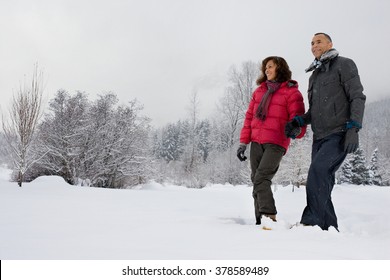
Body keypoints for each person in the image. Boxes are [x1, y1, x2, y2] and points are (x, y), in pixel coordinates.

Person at [285, 33, 366, 231]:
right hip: (319, 137)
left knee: (317, 172)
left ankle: (311, 221)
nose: (314, 45)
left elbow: (357, 96)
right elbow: (315, 111)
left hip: (339, 132)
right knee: (323, 179)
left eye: (319, 41)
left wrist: (353, 128)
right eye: (312, 43)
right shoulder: (314, 76)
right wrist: (299, 120)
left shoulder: (344, 64)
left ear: (330, 44)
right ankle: (329, 228)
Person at [237, 56, 306, 225]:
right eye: (265, 67)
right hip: (256, 142)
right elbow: (249, 118)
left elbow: (298, 119)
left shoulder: (291, 92)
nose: (266, 70)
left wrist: (297, 130)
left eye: (270, 67)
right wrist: (243, 143)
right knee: (256, 180)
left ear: (279, 68)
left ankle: (269, 217)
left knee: (261, 178)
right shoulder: (260, 91)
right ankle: (259, 221)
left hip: (276, 142)